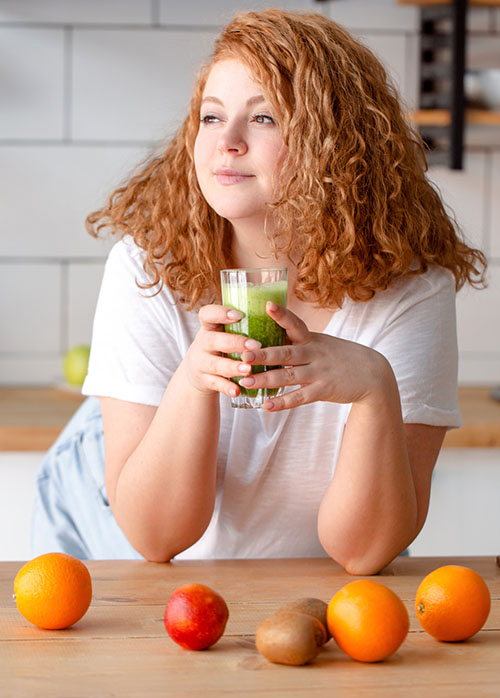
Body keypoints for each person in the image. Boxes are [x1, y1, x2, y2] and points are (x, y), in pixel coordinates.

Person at [32, 9, 486, 574]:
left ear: (335, 145)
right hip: (106, 527)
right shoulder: (147, 268)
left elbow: (365, 552)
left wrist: (374, 388)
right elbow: (155, 539)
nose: (228, 142)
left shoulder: (410, 293)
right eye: (212, 116)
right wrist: (193, 382)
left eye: (265, 118)